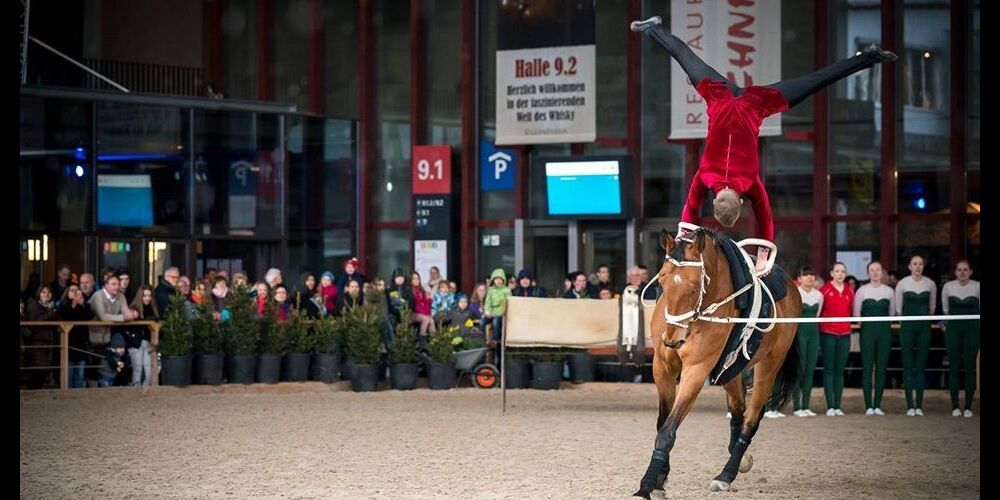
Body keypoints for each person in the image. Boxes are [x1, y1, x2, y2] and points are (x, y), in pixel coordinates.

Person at [631, 15, 896, 271]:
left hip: (756, 103)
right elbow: (689, 211)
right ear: (714, 202)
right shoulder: (706, 176)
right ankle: (654, 28)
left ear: (740, 204)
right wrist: (683, 237)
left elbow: (766, 218)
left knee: (815, 81)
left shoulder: (749, 182)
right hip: (720, 95)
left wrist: (764, 253)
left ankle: (870, 57)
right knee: (685, 58)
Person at [895, 255, 937, 416]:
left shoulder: (930, 284)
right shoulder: (902, 283)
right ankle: (909, 406)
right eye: (915, 264)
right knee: (907, 365)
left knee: (921, 365)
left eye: (920, 264)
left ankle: (919, 405)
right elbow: (899, 309)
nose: (918, 266)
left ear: (923, 266)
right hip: (907, 328)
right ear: (909, 266)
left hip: (924, 328)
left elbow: (932, 308)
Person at [854, 262, 895, 416]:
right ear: (868, 273)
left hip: (884, 332)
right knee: (867, 368)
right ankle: (868, 406)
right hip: (867, 333)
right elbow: (857, 315)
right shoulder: (862, 291)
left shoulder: (889, 291)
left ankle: (877, 404)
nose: (875, 273)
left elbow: (892, 315)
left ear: (882, 272)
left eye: (878, 269)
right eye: (872, 270)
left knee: (881, 369)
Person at [941, 260, 979, 417]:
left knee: (970, 367)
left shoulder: (977, 286)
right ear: (955, 272)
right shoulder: (948, 287)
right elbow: (945, 311)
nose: (962, 272)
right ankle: (955, 407)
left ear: (971, 271)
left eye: (965, 269)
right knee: (954, 367)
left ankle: (969, 407)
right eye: (959, 269)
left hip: (973, 330)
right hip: (953, 330)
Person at [819, 262, 854, 416]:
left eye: (843, 271)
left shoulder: (850, 291)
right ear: (832, 273)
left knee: (840, 370)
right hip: (828, 333)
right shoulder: (824, 290)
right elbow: (819, 313)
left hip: (845, 333)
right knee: (829, 369)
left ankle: (838, 406)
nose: (840, 274)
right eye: (837, 271)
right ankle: (830, 406)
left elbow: (851, 311)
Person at [791, 266, 822, 417]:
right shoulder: (796, 293)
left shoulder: (819, 295)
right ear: (799, 278)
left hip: (814, 335)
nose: (810, 277)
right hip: (799, 334)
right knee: (799, 370)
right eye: (806, 275)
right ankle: (797, 407)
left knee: (810, 370)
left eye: (812, 275)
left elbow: (819, 314)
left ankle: (806, 405)